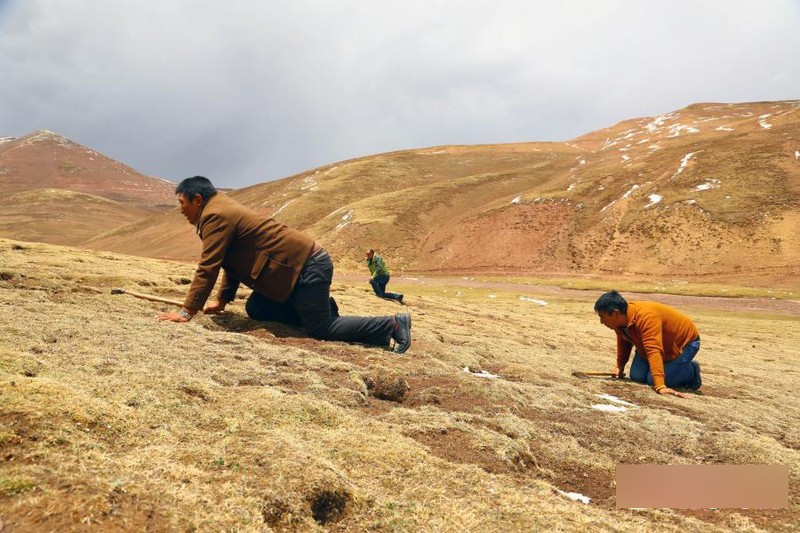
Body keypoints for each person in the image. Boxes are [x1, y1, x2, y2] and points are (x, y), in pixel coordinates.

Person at [156, 176, 411, 354]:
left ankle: (392, 324)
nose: (181, 211)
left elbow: (209, 265)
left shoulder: (215, 215)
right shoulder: (218, 209)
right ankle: (320, 306)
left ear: (197, 199)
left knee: (322, 329)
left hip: (308, 266)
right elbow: (229, 260)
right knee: (256, 306)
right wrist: (222, 301)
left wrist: (187, 311)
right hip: (299, 267)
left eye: (182, 204)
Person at [594, 290, 701, 398]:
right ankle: (670, 368)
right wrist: (619, 366)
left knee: (652, 380)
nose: (601, 322)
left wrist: (660, 386)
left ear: (615, 313)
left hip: (684, 343)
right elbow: (624, 342)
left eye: (602, 316)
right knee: (637, 377)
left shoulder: (646, 317)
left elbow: (653, 350)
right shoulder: (620, 321)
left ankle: (692, 370)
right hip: (651, 345)